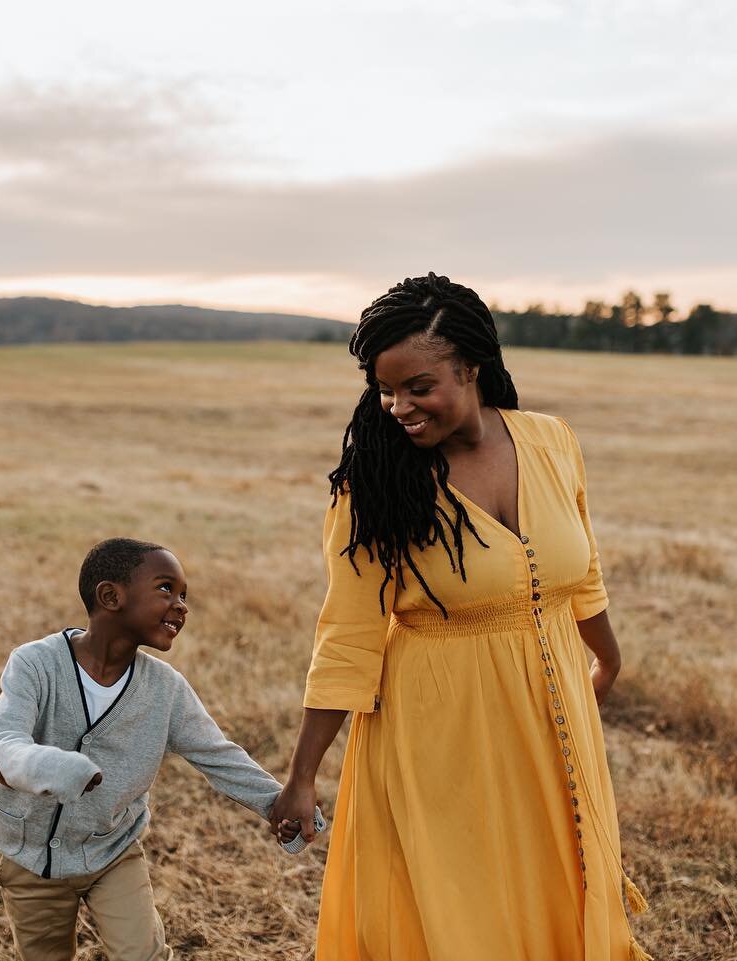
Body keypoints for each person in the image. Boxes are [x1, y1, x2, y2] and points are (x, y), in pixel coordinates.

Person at [271, 274, 650, 961]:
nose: (398, 407)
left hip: (552, 717)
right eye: (385, 390)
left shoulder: (552, 441)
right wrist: (302, 775)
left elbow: (581, 568)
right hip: (439, 732)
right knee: (462, 909)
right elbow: (348, 638)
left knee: (558, 883)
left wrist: (608, 657)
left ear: (471, 368)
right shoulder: (377, 489)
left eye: (418, 386)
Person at [0, 537, 299, 961]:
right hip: (30, 857)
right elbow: (3, 748)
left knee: (143, 955)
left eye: (185, 595)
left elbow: (218, 755)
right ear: (111, 596)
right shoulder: (35, 664)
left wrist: (278, 803)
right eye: (167, 588)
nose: (182, 605)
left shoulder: (165, 689)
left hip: (113, 851)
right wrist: (57, 769)